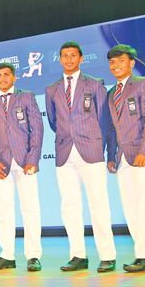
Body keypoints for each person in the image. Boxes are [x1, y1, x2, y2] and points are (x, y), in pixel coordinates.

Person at [46, 42, 117, 272]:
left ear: (81, 58)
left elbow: (104, 119)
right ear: (60, 59)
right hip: (65, 151)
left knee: (99, 204)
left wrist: (106, 149)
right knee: (70, 206)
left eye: (73, 55)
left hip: (91, 150)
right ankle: (78, 256)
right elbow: (54, 122)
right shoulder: (52, 89)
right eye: (64, 55)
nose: (68, 59)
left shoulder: (95, 85)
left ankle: (107, 255)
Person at [104, 45, 145, 272]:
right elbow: (111, 128)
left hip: (142, 156)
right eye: (112, 62)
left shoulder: (144, 83)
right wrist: (111, 155)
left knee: (144, 206)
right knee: (130, 208)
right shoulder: (111, 94)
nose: (115, 65)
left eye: (120, 60)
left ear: (131, 63)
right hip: (122, 158)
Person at [0, 63, 44, 271]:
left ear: (14, 77)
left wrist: (33, 158)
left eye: (6, 75)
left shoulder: (26, 97)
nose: (2, 79)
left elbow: (37, 128)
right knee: (4, 211)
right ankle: (7, 255)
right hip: (1, 164)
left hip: (25, 161)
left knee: (30, 208)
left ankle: (33, 256)